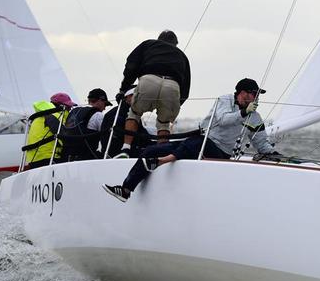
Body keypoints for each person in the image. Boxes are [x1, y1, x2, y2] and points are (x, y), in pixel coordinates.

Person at [102, 78, 279, 202]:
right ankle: (125, 190)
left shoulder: (253, 116)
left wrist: (272, 154)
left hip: (220, 152)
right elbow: (223, 120)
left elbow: (260, 141)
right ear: (242, 93)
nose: (257, 98)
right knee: (150, 151)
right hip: (200, 142)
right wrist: (243, 112)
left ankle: (162, 162)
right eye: (254, 93)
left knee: (197, 143)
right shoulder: (225, 100)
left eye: (257, 94)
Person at [115, 29, 191, 158]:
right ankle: (161, 153)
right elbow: (186, 85)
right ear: (175, 44)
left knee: (134, 114)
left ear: (158, 39)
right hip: (173, 86)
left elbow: (131, 65)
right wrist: (176, 104)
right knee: (164, 122)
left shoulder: (148, 44)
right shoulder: (181, 55)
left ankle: (125, 149)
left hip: (149, 79)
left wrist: (124, 89)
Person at [25, 93, 77, 169]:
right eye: (68, 107)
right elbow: (66, 140)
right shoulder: (55, 116)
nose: (69, 110)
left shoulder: (37, 118)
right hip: (50, 159)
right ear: (60, 106)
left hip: (33, 161)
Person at [61, 88, 112, 161]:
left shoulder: (74, 112)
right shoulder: (98, 115)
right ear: (100, 100)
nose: (104, 108)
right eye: (105, 104)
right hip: (89, 157)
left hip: (69, 157)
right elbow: (106, 136)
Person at [100, 86, 151, 158]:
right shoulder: (127, 114)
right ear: (128, 97)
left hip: (111, 154)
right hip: (122, 154)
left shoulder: (116, 112)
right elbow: (141, 137)